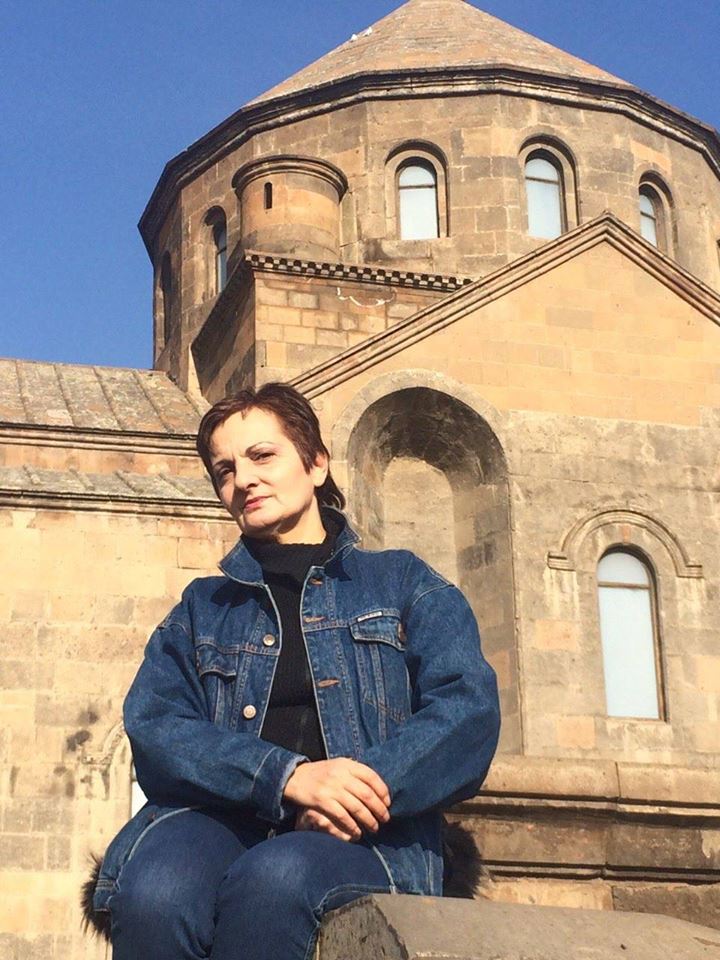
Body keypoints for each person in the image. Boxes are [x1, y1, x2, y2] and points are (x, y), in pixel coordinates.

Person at [85, 382, 500, 960]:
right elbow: (156, 724)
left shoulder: (404, 582)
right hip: (216, 820)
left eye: (262, 456)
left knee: (275, 879)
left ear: (316, 464)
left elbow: (467, 710)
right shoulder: (202, 607)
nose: (243, 480)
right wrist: (284, 779)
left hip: (369, 835)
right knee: (155, 892)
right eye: (225, 470)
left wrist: (356, 790)